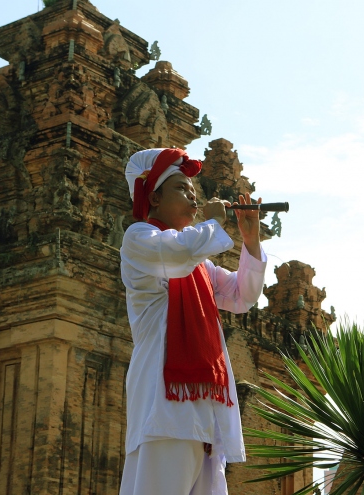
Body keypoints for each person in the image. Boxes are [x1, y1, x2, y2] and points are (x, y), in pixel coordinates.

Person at [119, 148, 267, 495]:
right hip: (164, 407)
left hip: (204, 410)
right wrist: (213, 223)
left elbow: (243, 296)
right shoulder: (140, 239)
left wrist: (250, 240)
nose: (192, 197)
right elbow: (178, 252)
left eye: (194, 192)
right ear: (153, 197)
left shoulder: (201, 266)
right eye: (182, 189)